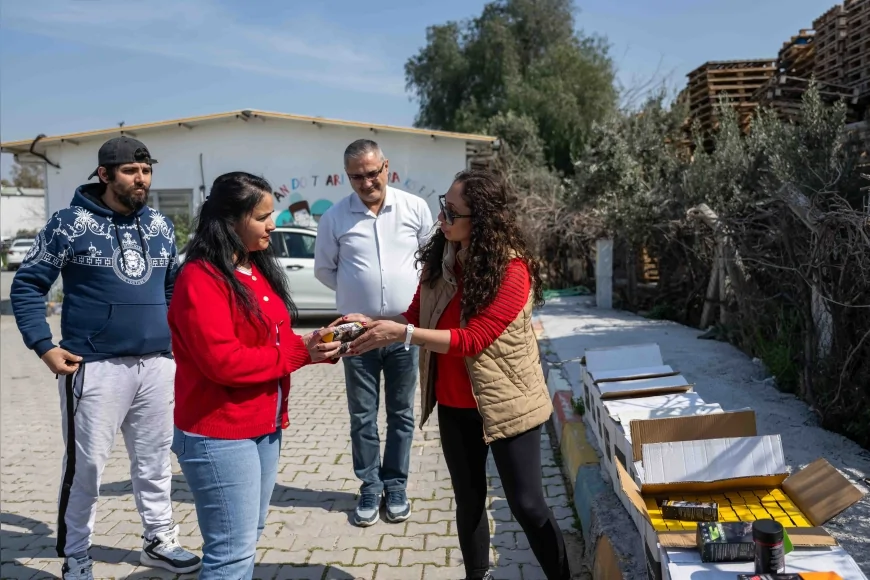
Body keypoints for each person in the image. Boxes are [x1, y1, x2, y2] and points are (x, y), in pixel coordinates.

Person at [339, 169, 570, 580]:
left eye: (451, 211)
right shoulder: (440, 258)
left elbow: (473, 338)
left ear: (481, 220)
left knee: (528, 504)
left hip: (506, 404)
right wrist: (372, 325)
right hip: (453, 403)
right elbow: (415, 316)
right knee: (468, 500)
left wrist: (404, 334)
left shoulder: (512, 270)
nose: (441, 217)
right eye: (442, 206)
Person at [9, 136, 202, 580]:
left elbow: (171, 287)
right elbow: (28, 284)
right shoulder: (69, 224)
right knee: (88, 466)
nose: (142, 179)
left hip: (156, 365)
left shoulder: (159, 225)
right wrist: (44, 345)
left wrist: (176, 342)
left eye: (147, 170)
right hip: (93, 365)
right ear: (105, 174)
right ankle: (76, 553)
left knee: (154, 459)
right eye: (132, 171)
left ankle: (159, 540)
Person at [168, 172, 343, 579]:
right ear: (231, 220)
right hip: (220, 433)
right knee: (230, 553)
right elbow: (224, 362)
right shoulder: (200, 278)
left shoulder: (250, 267)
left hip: (262, 426)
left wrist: (319, 343)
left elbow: (273, 339)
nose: (273, 225)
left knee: (246, 538)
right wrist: (301, 352)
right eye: (263, 217)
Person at [313, 139, 434, 526]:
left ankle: (395, 484)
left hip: (402, 332)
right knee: (362, 416)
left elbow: (431, 264)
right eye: (356, 177)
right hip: (358, 334)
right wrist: (355, 296)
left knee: (400, 414)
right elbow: (325, 270)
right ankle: (369, 485)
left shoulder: (415, 208)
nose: (366, 182)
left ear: (386, 167)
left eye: (372, 173)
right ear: (347, 177)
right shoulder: (335, 218)